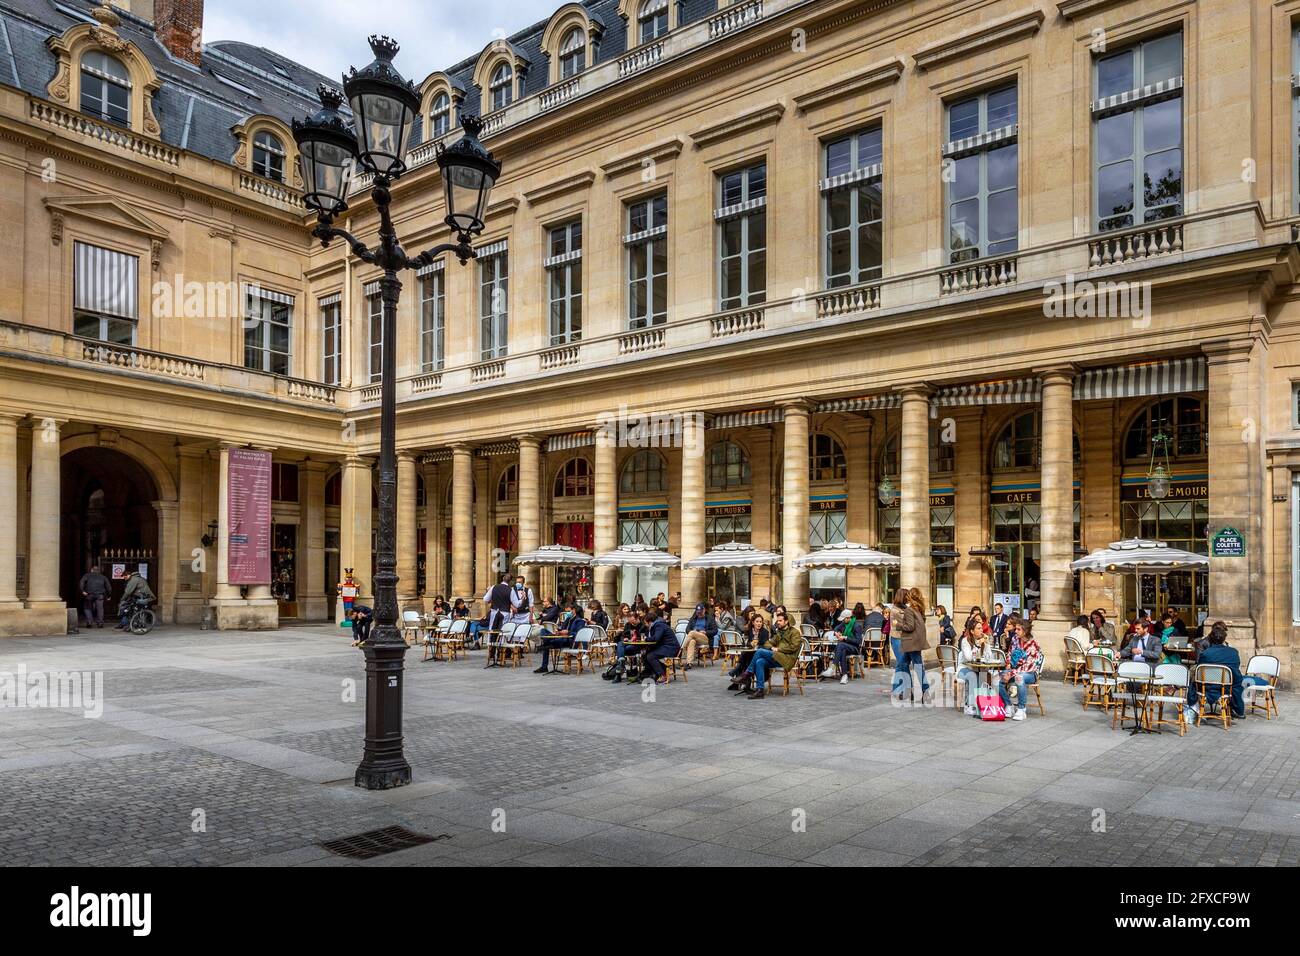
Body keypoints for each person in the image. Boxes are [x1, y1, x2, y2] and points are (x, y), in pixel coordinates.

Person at [736, 608, 800, 700]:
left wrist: (778, 648)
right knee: (759, 661)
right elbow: (767, 643)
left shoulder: (795, 633)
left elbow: (793, 647)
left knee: (760, 651)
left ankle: (747, 674)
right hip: (778, 657)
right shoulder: (779, 632)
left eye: (780, 620)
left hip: (787, 659)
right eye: (777, 620)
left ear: (786, 621)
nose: (778, 622)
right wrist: (772, 647)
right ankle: (760, 690)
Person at [1187, 622, 1245, 720]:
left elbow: (1199, 669)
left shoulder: (1206, 653)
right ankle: (1237, 710)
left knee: (1193, 677)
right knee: (1237, 681)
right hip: (1226, 687)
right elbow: (1236, 669)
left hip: (1207, 687)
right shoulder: (1233, 652)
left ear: (1211, 639)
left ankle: (1194, 707)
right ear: (1224, 639)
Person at [891, 587, 931, 702]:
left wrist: (898, 624)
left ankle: (925, 691)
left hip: (911, 642)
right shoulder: (919, 609)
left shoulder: (909, 610)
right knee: (903, 664)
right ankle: (909, 691)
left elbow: (910, 627)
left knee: (918, 667)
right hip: (913, 642)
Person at [1000, 618, 1042, 721]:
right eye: (1016, 629)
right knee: (996, 678)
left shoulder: (1033, 645)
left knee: (1019, 678)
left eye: (1018, 629)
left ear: (1025, 631)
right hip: (1015, 670)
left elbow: (1027, 667)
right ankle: (1008, 705)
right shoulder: (1015, 639)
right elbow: (1010, 652)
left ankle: (1021, 709)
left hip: (1030, 673)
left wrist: (1010, 674)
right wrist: (1009, 663)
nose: (1015, 631)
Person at [957, 623, 997, 716]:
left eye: (981, 628)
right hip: (964, 669)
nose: (981, 630)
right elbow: (969, 658)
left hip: (978, 668)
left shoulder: (983, 640)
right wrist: (978, 644)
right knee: (973, 676)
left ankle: (981, 703)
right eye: (978, 628)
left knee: (984, 675)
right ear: (972, 631)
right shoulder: (965, 641)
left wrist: (987, 644)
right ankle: (970, 706)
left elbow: (989, 657)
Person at [536, 601, 585, 673]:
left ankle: (544, 663)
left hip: (570, 641)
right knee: (543, 630)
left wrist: (568, 632)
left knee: (547, 645)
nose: (567, 613)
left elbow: (579, 634)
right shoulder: (568, 619)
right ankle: (546, 644)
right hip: (562, 638)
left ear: (574, 610)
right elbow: (562, 629)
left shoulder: (579, 620)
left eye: (568, 611)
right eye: (566, 612)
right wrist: (558, 630)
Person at [726, 612, 771, 689]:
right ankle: (744, 683)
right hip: (750, 653)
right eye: (757, 621)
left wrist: (756, 645)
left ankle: (738, 676)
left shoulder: (765, 632)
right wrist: (751, 643)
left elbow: (765, 645)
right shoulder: (749, 631)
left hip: (759, 654)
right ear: (753, 622)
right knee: (746, 654)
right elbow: (745, 643)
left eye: (760, 622)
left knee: (746, 656)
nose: (759, 623)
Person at [829, 602, 867, 684]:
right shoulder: (844, 623)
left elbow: (858, 641)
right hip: (846, 647)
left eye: (843, 619)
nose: (842, 621)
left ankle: (833, 666)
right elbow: (836, 628)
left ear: (848, 618)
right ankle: (844, 675)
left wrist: (845, 637)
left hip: (855, 648)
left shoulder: (856, 626)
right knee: (842, 650)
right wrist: (836, 633)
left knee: (841, 645)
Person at [641, 608, 679, 684]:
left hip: (671, 648)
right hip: (666, 646)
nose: (645, 625)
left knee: (651, 656)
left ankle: (662, 675)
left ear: (650, 622)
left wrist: (646, 639)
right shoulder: (656, 625)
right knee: (647, 653)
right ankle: (654, 673)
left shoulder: (659, 625)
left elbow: (656, 638)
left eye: (645, 623)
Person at [681, 603, 717, 668]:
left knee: (692, 633)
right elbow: (687, 630)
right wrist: (695, 631)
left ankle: (681, 651)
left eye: (700, 613)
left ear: (704, 610)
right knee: (692, 641)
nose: (699, 614)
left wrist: (705, 632)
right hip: (695, 637)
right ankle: (689, 663)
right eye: (698, 613)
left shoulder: (710, 618)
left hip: (705, 638)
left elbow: (715, 631)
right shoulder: (693, 618)